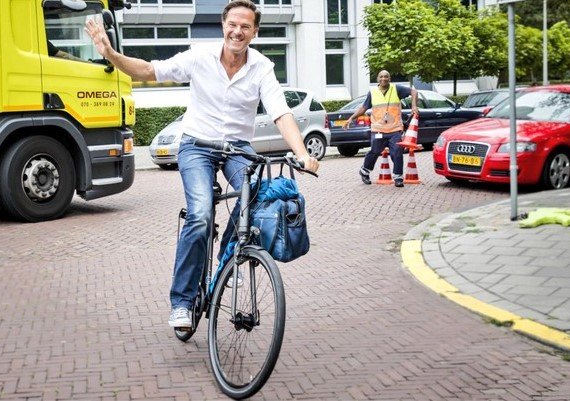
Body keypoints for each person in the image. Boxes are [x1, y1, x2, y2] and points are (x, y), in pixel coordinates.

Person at [84, 0, 319, 329]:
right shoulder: (199, 56)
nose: (237, 31)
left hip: (237, 148)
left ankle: (229, 256)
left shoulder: (262, 67)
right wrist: (110, 54)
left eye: (245, 26)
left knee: (258, 194)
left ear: (255, 32)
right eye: (232, 24)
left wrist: (302, 152)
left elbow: (281, 112)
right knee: (201, 215)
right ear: (224, 25)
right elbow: (151, 71)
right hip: (197, 146)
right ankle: (181, 301)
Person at [344, 70, 418, 187]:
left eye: (386, 77)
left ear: (390, 79)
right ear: (378, 79)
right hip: (378, 129)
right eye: (381, 77)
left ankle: (398, 177)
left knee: (397, 152)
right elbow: (363, 108)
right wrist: (351, 118)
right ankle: (364, 171)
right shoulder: (372, 92)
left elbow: (414, 91)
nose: (383, 79)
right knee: (374, 151)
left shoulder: (396, 89)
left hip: (395, 129)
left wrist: (414, 106)